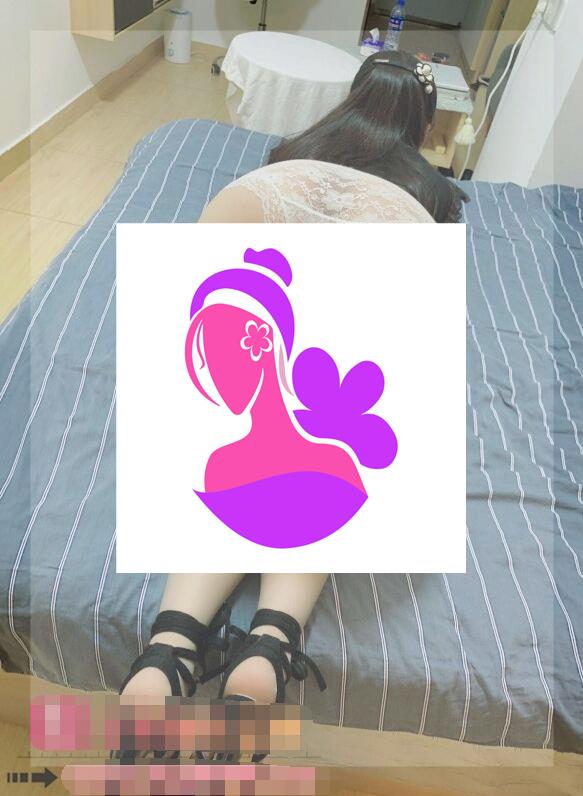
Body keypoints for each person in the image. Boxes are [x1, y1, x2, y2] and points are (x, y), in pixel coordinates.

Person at [119, 50, 461, 729]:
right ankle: (272, 639)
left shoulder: (289, 155)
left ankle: (169, 646)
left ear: (350, 99)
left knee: (227, 465)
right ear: (423, 126)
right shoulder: (431, 193)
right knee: (330, 472)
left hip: (246, 315)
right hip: (338, 355)